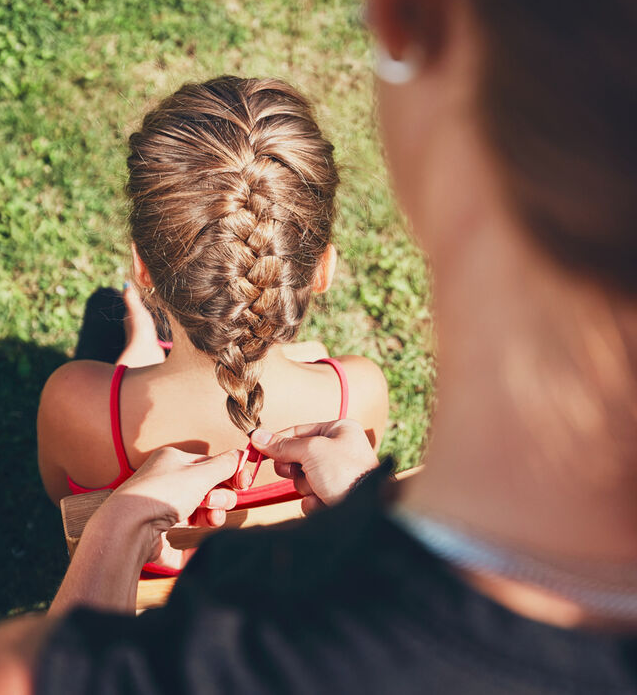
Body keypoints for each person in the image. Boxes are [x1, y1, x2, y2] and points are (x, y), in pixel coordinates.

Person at [0, 0, 637, 693]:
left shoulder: (53, 649)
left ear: (413, 19)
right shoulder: (357, 395)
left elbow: (52, 522)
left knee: (110, 358)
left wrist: (123, 519)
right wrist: (363, 496)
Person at [35, 76, 390, 572]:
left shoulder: (75, 404)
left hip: (145, 584)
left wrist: (128, 375)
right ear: (323, 268)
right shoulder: (358, 392)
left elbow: (62, 500)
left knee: (103, 308)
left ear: (142, 267)